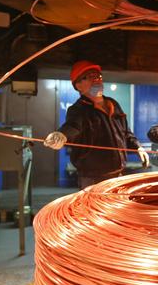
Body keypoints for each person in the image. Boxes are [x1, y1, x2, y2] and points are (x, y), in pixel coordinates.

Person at [44, 60, 149, 189]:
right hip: (93, 180)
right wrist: (61, 135)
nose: (96, 79)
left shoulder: (113, 104)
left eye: (98, 76)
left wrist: (138, 147)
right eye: (90, 77)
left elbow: (126, 133)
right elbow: (72, 126)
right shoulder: (79, 109)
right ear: (78, 85)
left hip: (118, 175)